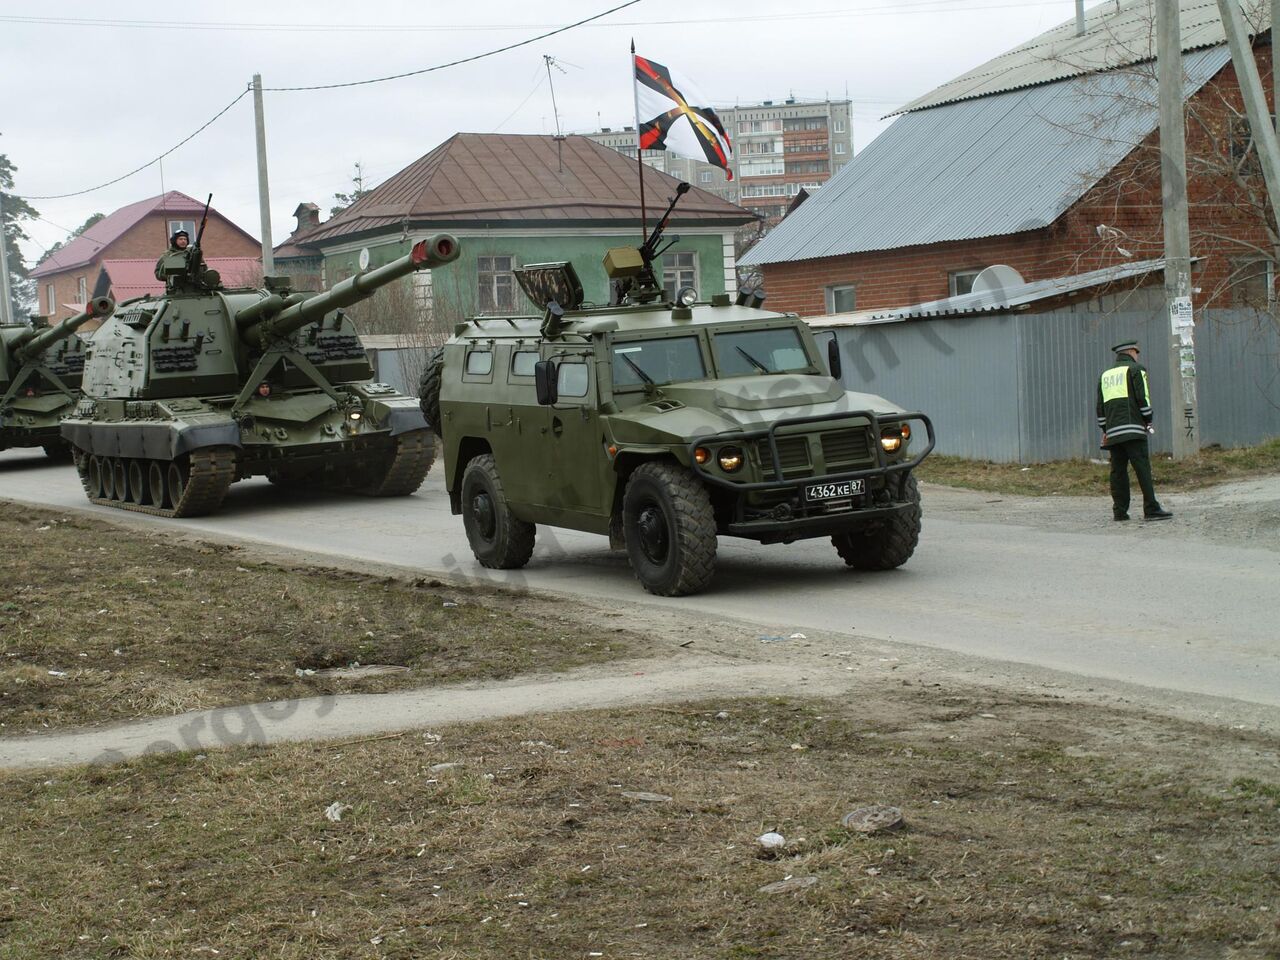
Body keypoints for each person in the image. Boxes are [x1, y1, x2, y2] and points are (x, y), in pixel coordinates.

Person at [1096, 339, 1173, 522]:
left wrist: (1106, 429)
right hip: (1134, 430)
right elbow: (1143, 398)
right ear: (1131, 351)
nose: (1137, 356)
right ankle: (1151, 508)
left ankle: (1120, 511)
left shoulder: (1105, 375)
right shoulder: (1137, 370)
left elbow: (1100, 407)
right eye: (1137, 352)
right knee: (1142, 468)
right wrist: (1148, 420)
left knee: (1118, 472)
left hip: (1113, 432)